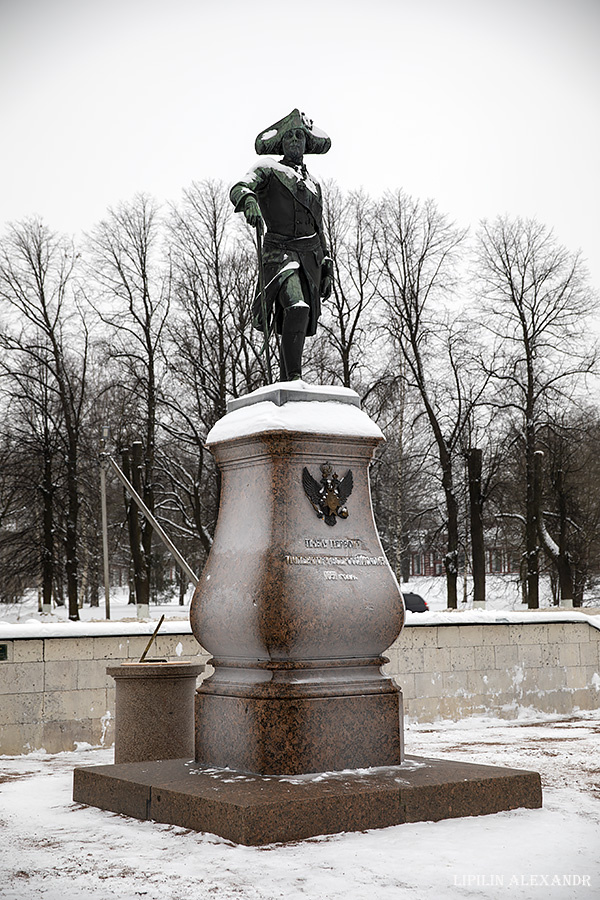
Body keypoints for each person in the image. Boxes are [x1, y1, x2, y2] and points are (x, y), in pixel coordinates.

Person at [230, 109, 333, 381]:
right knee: (297, 307)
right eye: (290, 136)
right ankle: (293, 378)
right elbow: (240, 187)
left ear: (306, 143)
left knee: (301, 315)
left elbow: (319, 228)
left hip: (310, 258)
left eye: (300, 136)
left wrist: (327, 267)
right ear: (282, 143)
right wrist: (249, 201)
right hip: (280, 255)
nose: (295, 141)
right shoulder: (269, 169)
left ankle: (289, 381)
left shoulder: (314, 184)